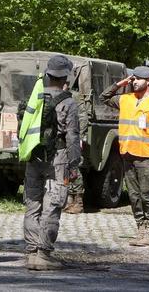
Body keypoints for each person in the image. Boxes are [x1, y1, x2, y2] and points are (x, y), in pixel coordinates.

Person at [100, 66, 149, 246]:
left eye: (138, 79)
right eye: (133, 79)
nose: (134, 82)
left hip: (148, 157)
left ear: (148, 81)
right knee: (133, 195)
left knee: (147, 194)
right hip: (128, 155)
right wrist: (120, 84)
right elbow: (104, 97)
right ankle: (140, 228)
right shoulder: (126, 99)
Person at [24, 55, 81, 270]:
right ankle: (43, 253)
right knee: (53, 204)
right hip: (57, 158)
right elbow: (73, 136)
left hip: (33, 156)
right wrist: (74, 165)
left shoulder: (35, 97)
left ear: (47, 74)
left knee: (32, 205)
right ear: (66, 76)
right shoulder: (68, 102)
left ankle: (30, 252)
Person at [63, 76, 87, 214]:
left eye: (66, 83)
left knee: (75, 168)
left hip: (74, 137)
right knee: (64, 168)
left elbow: (83, 117)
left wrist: (80, 137)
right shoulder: (58, 96)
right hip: (62, 138)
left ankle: (78, 201)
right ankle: (68, 200)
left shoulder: (75, 97)